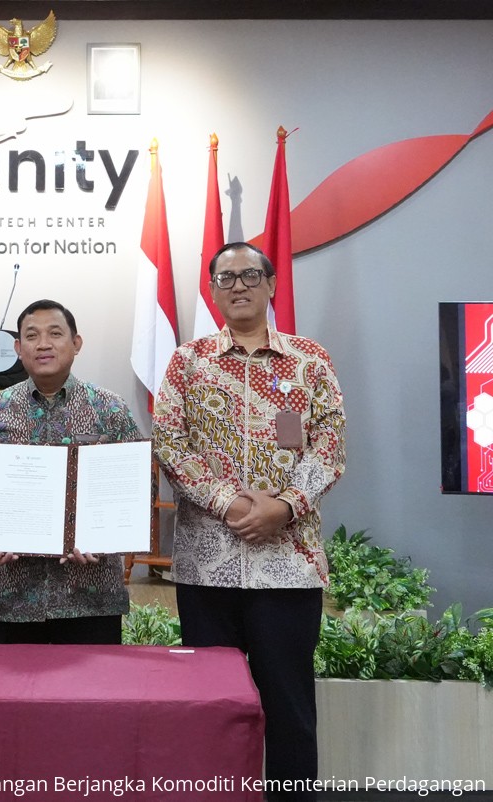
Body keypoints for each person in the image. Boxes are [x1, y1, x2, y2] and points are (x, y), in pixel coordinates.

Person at [152, 243, 346, 802]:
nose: (238, 285)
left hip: (288, 565)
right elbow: (170, 442)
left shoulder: (310, 360)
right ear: (213, 290)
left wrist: (283, 506)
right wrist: (230, 505)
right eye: (226, 278)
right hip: (208, 566)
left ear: (271, 284)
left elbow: (329, 448)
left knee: (289, 707)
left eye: (250, 275)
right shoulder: (188, 362)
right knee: (212, 706)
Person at [0, 299, 144, 644]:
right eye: (32, 336)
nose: (43, 344)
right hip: (10, 597)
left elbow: (138, 486)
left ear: (76, 343)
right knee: (11, 681)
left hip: (91, 598)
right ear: (18, 349)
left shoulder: (109, 409)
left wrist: (104, 534)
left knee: (91, 681)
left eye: (55, 333)